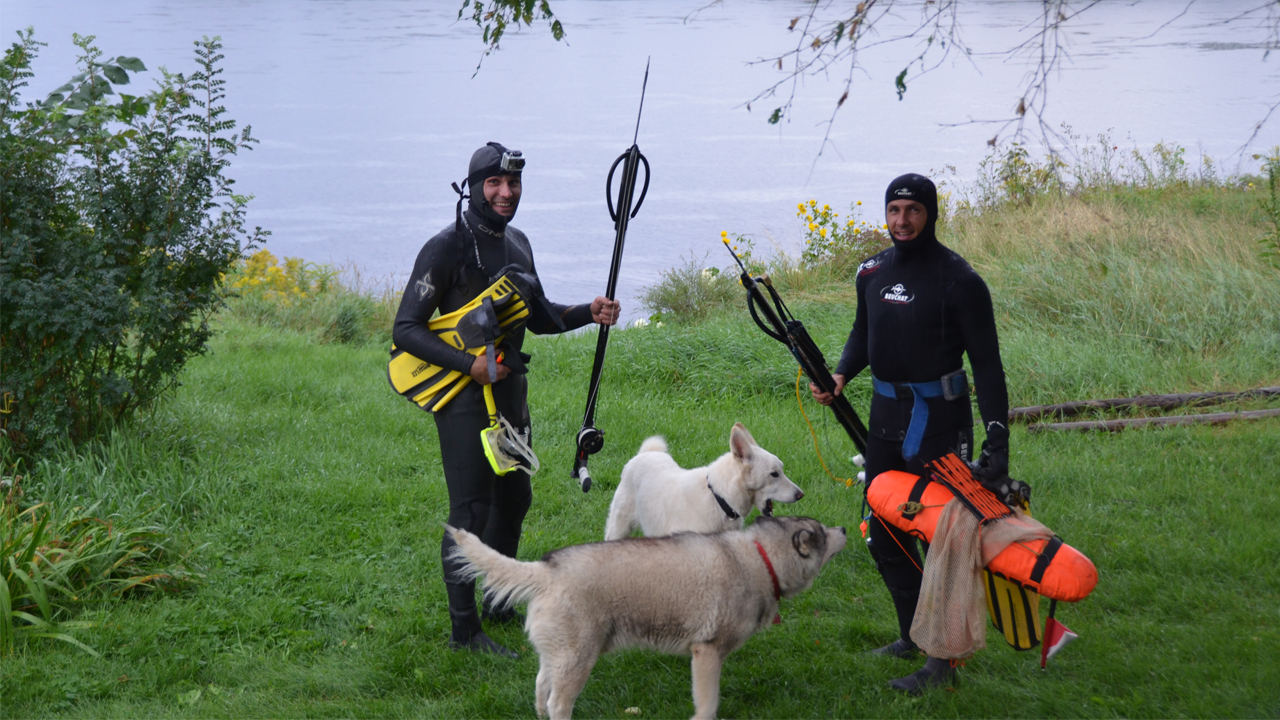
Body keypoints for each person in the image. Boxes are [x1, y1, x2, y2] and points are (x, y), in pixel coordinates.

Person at [393, 142, 620, 657]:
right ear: (473, 187)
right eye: (493, 183)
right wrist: (469, 364)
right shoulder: (445, 248)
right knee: (470, 510)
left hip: (510, 393)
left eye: (512, 183)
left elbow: (536, 317)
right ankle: (464, 631)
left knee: (515, 498)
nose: (505, 192)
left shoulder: (517, 241)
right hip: (463, 397)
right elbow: (405, 329)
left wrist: (589, 310)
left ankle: (500, 598)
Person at [810, 173, 1010, 694]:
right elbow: (863, 331)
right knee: (884, 532)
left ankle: (942, 665)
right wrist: (840, 374)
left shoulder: (959, 280)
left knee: (945, 541)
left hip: (942, 424)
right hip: (884, 420)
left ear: (931, 214)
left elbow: (987, 367)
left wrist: (997, 442)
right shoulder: (871, 271)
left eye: (912, 210)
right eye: (894, 210)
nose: (902, 221)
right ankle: (911, 635)